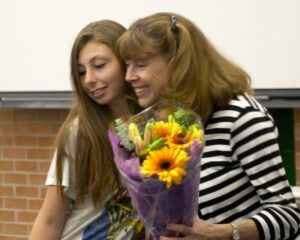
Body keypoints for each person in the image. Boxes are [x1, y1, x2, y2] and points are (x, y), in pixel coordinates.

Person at [117, 12, 300, 239]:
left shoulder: (242, 118)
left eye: (140, 65)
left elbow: (288, 216)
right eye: (127, 65)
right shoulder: (170, 122)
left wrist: (222, 233)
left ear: (178, 63)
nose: (128, 76)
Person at [29, 20, 145, 240]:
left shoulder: (155, 123)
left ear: (125, 61)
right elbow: (50, 219)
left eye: (99, 65)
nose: (89, 80)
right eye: (81, 72)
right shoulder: (80, 132)